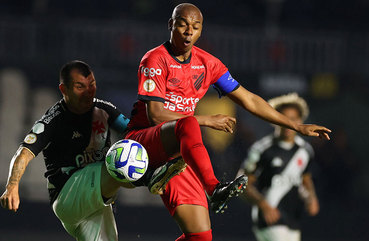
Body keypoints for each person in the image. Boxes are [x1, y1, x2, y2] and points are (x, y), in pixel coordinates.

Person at [125, 3, 331, 241]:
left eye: (195, 26)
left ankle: (211, 189)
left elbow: (250, 100)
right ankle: (214, 188)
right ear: (171, 25)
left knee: (201, 237)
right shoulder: (155, 59)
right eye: (182, 25)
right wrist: (206, 120)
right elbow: (157, 115)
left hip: (176, 158)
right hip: (144, 143)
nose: (189, 31)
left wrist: (295, 126)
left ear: (201, 31)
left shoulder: (208, 63)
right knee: (190, 124)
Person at [0, 60, 186, 241]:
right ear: (64, 90)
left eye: (92, 85)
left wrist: (166, 139)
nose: (88, 92)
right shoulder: (53, 120)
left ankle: (152, 173)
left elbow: (137, 134)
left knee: (132, 149)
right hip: (68, 194)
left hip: (97, 199)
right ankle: (151, 177)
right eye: (80, 87)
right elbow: (24, 153)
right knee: (122, 157)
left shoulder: (103, 110)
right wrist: (12, 186)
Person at [237, 93, 320, 241]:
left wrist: (311, 197)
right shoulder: (262, 149)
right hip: (269, 219)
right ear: (275, 119)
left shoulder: (305, 150)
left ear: (300, 121)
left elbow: (305, 179)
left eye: (293, 119)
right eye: (284, 118)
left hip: (293, 220)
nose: (288, 124)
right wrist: (263, 204)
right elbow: (241, 183)